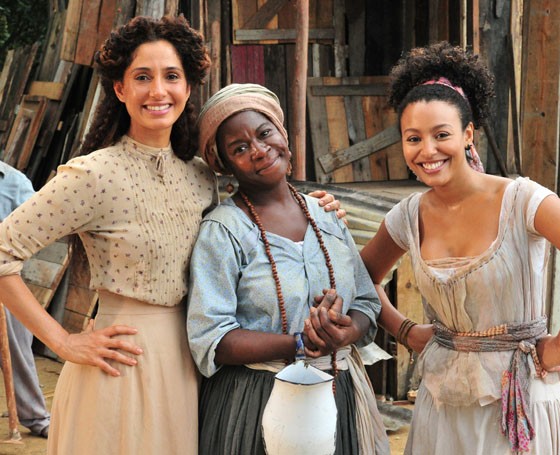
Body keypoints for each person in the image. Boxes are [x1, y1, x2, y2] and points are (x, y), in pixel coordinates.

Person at [0, 16, 341, 454]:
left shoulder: (201, 175)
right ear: (120, 89)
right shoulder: (92, 174)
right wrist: (62, 341)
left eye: (171, 76)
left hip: (190, 365)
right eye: (142, 77)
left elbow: (249, 224)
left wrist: (313, 207)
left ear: (188, 87)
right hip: (121, 368)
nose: (158, 91)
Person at [359, 41, 560, 454]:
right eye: (412, 138)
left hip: (517, 398)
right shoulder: (407, 216)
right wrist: (405, 330)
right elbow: (361, 276)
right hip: (441, 403)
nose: (427, 151)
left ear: (468, 134)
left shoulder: (522, 201)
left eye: (441, 135)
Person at [189, 83, 389, 454]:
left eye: (264, 134)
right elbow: (212, 337)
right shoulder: (224, 231)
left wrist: (345, 333)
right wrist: (298, 344)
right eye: (240, 148)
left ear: (282, 133)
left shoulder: (327, 216)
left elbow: (365, 300)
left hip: (339, 392)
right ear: (224, 164)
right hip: (256, 401)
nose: (259, 151)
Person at [0, 160, 50, 438]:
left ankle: (35, 416)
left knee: (17, 328)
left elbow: (38, 234)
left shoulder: (14, 182)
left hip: (3, 283)